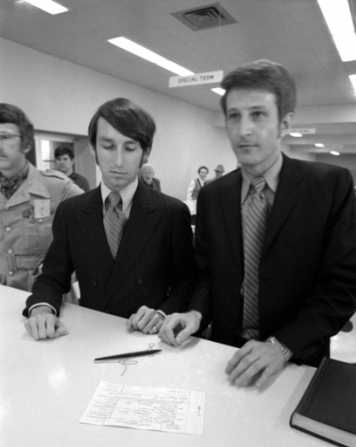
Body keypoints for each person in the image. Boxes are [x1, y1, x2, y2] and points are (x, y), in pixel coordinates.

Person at [160, 59, 356, 390]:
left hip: (296, 361)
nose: (244, 129)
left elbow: (344, 286)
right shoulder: (213, 196)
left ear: (285, 123)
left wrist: (281, 346)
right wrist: (195, 314)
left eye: (258, 114)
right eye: (234, 116)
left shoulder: (329, 186)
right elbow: (208, 275)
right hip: (222, 355)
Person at [24, 97, 195, 340]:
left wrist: (163, 312)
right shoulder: (71, 211)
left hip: (149, 341)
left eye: (130, 147)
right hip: (89, 336)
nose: (118, 161)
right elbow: (53, 275)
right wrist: (41, 306)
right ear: (93, 149)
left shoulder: (171, 213)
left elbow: (187, 281)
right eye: (108, 146)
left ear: (145, 153)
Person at [0, 103, 82, 291]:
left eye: (4, 137)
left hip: (46, 303)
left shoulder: (59, 189)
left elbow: (95, 237)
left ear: (27, 144)